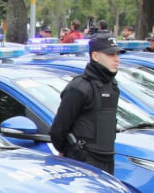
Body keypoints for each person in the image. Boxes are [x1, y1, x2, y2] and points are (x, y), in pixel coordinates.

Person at [49, 32, 122, 174]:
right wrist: (67, 151)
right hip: (83, 161)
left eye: (117, 55)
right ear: (95, 56)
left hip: (107, 159)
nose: (116, 59)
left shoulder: (111, 85)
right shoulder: (79, 87)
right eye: (111, 55)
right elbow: (59, 129)